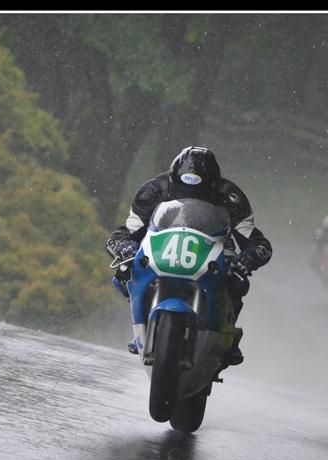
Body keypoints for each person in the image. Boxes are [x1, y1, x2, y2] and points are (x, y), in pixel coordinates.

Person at [106, 146, 273, 366]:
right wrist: (125, 246)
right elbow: (124, 233)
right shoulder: (152, 193)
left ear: (213, 187)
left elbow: (259, 243)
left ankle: (227, 336)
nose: (191, 199)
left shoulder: (231, 198)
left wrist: (248, 258)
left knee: (238, 282)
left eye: (199, 195)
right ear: (174, 183)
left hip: (213, 249)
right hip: (162, 246)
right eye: (184, 193)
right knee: (123, 273)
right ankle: (139, 324)